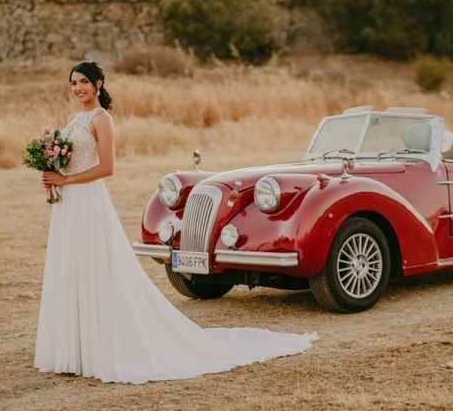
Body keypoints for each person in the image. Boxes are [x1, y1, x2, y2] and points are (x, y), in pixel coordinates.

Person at [36, 61, 316, 384]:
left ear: (99, 84)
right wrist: (55, 176)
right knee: (71, 268)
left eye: (84, 81)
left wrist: (66, 180)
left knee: (95, 267)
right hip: (69, 205)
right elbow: (69, 162)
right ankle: (75, 347)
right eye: (73, 83)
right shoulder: (74, 120)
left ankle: (103, 344)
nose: (78, 88)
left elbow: (107, 168)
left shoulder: (102, 119)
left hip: (88, 201)